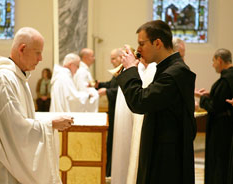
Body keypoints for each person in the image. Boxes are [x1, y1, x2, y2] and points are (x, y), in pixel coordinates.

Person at [0, 27, 73, 184]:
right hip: (5, 169)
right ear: (22, 49)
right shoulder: (4, 79)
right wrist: (50, 124)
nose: (41, 58)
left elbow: (20, 119)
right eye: (38, 52)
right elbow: (14, 129)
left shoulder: (18, 77)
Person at [116, 20, 196, 184]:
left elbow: (140, 102)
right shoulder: (167, 69)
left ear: (157, 43)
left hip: (167, 157)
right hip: (161, 149)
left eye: (141, 44)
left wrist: (131, 69)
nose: (138, 49)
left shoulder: (175, 72)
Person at [195, 48, 233, 184]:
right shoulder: (229, 78)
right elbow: (222, 99)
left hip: (221, 129)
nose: (213, 64)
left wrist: (201, 99)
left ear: (220, 60)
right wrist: (209, 95)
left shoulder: (225, 80)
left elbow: (215, 107)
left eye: (213, 61)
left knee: (218, 161)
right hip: (227, 126)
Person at [95, 48, 122, 177]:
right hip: (113, 110)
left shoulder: (124, 71)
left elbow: (121, 92)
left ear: (121, 57)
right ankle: (109, 170)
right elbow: (112, 85)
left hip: (119, 112)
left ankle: (111, 171)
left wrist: (106, 91)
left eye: (113, 58)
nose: (111, 61)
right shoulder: (118, 71)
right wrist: (99, 84)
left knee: (114, 141)